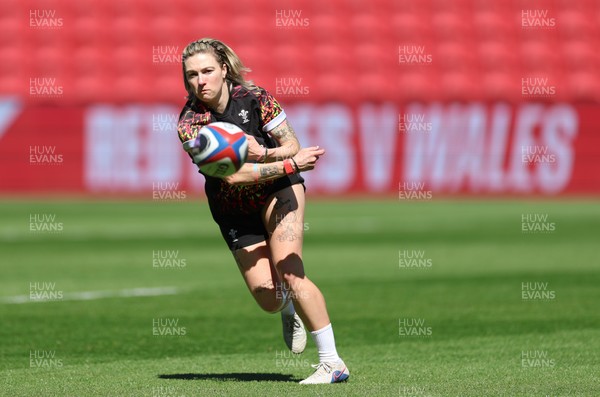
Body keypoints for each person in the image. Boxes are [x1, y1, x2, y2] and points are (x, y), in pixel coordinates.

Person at [176, 38, 349, 384]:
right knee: (268, 299)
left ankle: (332, 363)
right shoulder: (190, 125)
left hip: (279, 192)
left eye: (208, 71)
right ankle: (286, 308)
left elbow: (292, 144)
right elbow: (237, 176)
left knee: (289, 269)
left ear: (224, 69)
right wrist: (283, 163)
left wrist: (270, 155)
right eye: (192, 74)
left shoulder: (256, 98)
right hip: (233, 207)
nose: (201, 81)